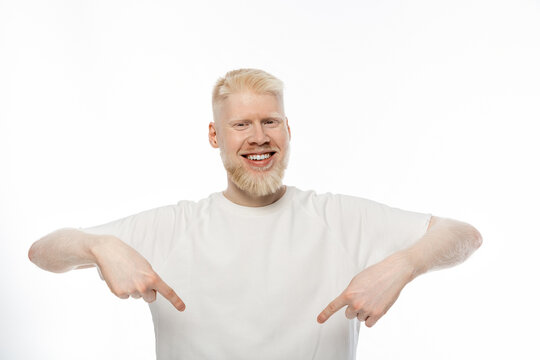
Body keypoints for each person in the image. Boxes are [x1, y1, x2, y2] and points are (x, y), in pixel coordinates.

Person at [28, 68, 482, 360]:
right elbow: (42, 252)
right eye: (241, 124)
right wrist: (98, 245)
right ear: (215, 136)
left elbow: (461, 234)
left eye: (270, 122)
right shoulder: (173, 226)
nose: (258, 137)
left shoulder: (338, 217)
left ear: (288, 129)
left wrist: (403, 265)